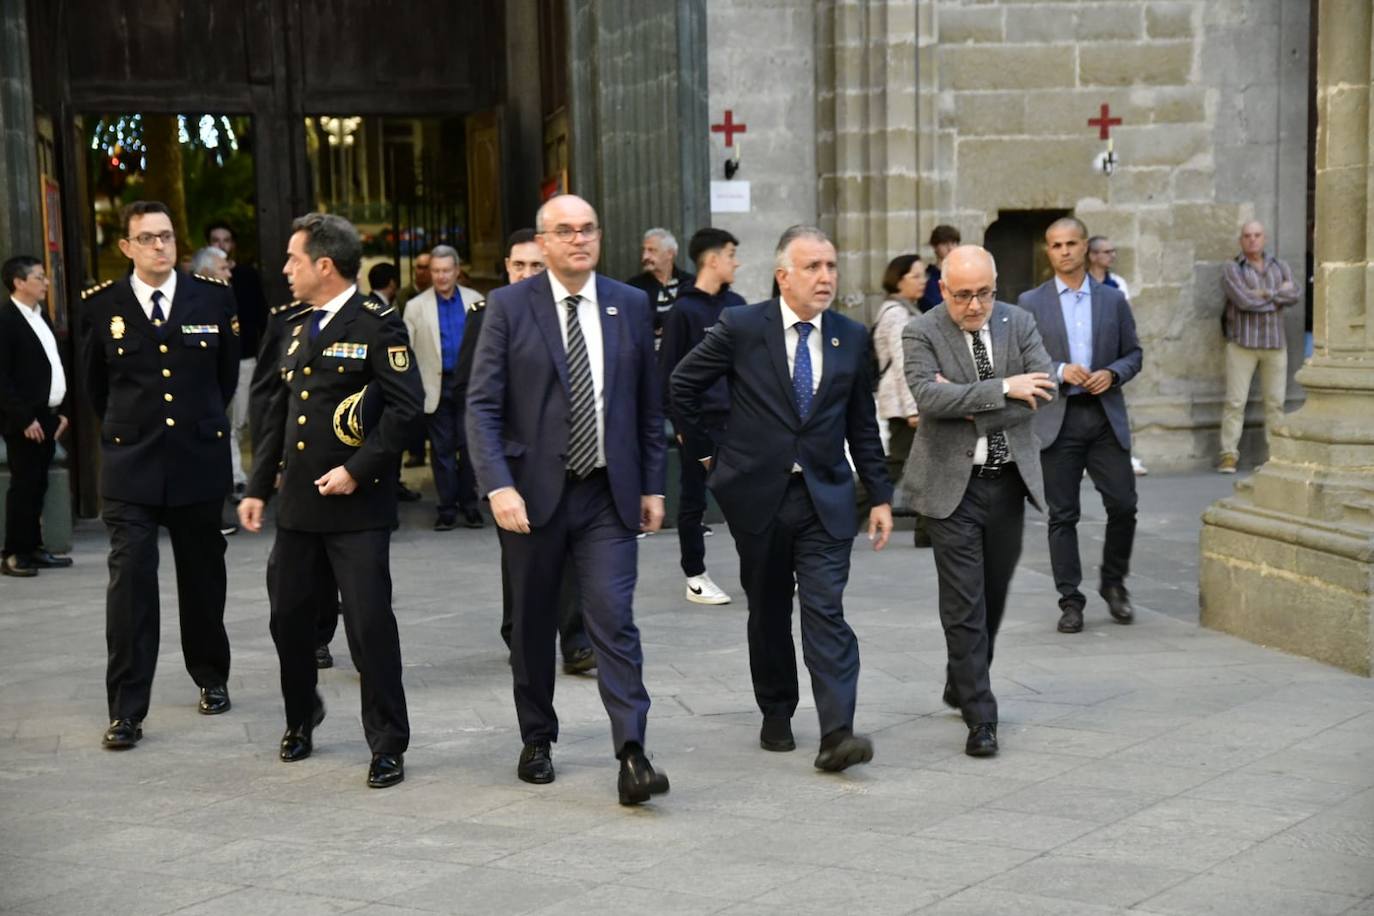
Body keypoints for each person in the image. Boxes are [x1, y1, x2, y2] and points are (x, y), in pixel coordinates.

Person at [466, 194, 670, 806]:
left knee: (613, 617)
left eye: (588, 229)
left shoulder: (629, 304)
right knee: (532, 625)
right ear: (544, 242)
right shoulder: (509, 306)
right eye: (565, 231)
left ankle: (632, 751)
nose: (579, 239)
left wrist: (653, 483)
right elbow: (481, 406)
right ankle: (537, 738)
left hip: (607, 493)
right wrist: (498, 485)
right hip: (530, 498)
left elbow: (648, 404)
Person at [671, 225, 894, 772]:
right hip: (758, 496)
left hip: (825, 498)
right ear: (783, 276)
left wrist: (880, 495)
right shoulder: (743, 326)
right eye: (813, 266)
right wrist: (709, 455)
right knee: (769, 609)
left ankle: (837, 731)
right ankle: (776, 709)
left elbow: (862, 424)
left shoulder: (849, 337)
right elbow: (681, 384)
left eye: (831, 266)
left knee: (826, 610)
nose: (825, 277)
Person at [239, 213, 422, 789]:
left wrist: (357, 469)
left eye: (293, 259)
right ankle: (301, 716)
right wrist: (257, 487)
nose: (285, 270)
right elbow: (274, 412)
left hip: (357, 508)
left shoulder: (378, 324)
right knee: (288, 619)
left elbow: (405, 409)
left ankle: (387, 742)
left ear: (324, 265)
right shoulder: (291, 324)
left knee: (369, 627)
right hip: (299, 506)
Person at [80, 200, 240, 750]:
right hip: (131, 466)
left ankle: (211, 675)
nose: (159, 246)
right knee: (130, 586)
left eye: (166, 236)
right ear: (126, 246)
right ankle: (126, 709)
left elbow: (224, 379)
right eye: (147, 238)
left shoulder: (212, 297)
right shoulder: (102, 305)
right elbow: (96, 387)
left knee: (202, 579)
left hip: (197, 461)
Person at [899, 245, 1055, 757]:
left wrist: (967, 401)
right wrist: (1004, 387)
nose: (975, 306)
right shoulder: (921, 331)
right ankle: (981, 716)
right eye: (963, 295)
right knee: (964, 601)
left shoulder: (1019, 322)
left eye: (984, 294)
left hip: (1007, 482)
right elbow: (928, 398)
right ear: (943, 290)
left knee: (994, 594)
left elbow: (1042, 392)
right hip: (951, 487)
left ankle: (960, 677)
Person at [1018, 218, 1143, 635]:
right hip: (1058, 418)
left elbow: (1134, 354)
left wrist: (1113, 373)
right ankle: (1070, 600)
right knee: (1062, 514)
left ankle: (1113, 582)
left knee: (1123, 505)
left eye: (1071, 243)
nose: (1065, 251)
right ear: (1048, 251)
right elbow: (1022, 359)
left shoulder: (1112, 299)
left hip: (1104, 416)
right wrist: (1058, 370)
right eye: (1056, 245)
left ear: (1085, 246)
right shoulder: (1030, 302)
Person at [482, 229, 595, 675]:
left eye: (536, 266)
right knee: (521, 561)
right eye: (519, 265)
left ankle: (576, 640)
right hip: (511, 466)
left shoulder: (566, 315)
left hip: (565, 459)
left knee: (569, 553)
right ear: (507, 268)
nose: (527, 273)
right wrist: (489, 475)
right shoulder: (488, 315)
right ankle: (519, 632)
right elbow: (475, 401)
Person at [659, 227, 746, 605]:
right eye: (730, 255)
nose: (736, 263)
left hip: (737, 421)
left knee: (748, 501)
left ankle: (761, 570)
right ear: (712, 260)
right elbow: (668, 373)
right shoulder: (683, 311)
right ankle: (695, 576)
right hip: (697, 423)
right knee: (694, 500)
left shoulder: (738, 306)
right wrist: (681, 426)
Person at [404, 245, 485, 530]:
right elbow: (407, 352)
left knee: (471, 448)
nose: (441, 276)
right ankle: (447, 509)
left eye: (446, 271)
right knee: (442, 451)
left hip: (470, 386)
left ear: (457, 271)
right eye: (436, 271)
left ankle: (470, 505)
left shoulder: (476, 301)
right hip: (435, 387)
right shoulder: (415, 306)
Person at [0, 256, 71, 577]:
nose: (46, 282)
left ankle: (33, 547)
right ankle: (14, 553)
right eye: (39, 277)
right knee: (24, 485)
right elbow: (3, 379)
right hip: (25, 420)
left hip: (48, 414)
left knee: (39, 483)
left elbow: (54, 364)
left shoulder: (42, 316)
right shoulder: (6, 320)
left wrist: (62, 412)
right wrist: (24, 419)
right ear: (19, 282)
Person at [1217, 220, 1300, 474]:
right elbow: (1243, 300)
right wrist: (1277, 295)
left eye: (1256, 235)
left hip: (1275, 344)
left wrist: (1264, 293)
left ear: (1264, 238)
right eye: (1247, 236)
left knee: (1275, 403)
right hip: (1243, 343)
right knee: (1235, 402)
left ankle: (1275, 455)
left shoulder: (1280, 266)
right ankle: (1228, 454)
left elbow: (1295, 294)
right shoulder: (1233, 268)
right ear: (1241, 240)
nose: (1252, 239)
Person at [872, 253, 930, 547]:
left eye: (923, 275)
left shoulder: (907, 310)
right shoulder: (896, 313)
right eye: (916, 276)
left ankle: (927, 531)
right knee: (894, 465)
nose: (923, 281)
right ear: (899, 279)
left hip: (906, 403)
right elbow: (903, 364)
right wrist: (913, 409)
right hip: (904, 405)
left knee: (925, 464)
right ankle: (841, 514)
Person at [207, 222, 268, 501]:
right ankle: (235, 478)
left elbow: (260, 316)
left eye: (226, 239)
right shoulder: (200, 280)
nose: (222, 245)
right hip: (212, 360)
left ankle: (251, 477)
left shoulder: (245, 276)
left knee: (240, 421)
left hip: (244, 357)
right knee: (226, 422)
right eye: (216, 240)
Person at [626, 228, 695, 342]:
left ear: (670, 254)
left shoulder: (689, 283)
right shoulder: (634, 287)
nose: (645, 257)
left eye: (651, 250)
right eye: (644, 250)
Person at [918, 224, 961, 313]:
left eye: (953, 243)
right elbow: (934, 305)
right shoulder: (928, 278)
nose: (950, 248)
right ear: (935, 246)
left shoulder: (963, 274)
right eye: (945, 244)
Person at [394, 251, 432, 317]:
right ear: (414, 269)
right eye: (419, 267)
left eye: (426, 268)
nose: (422, 272)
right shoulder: (401, 296)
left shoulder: (439, 294)